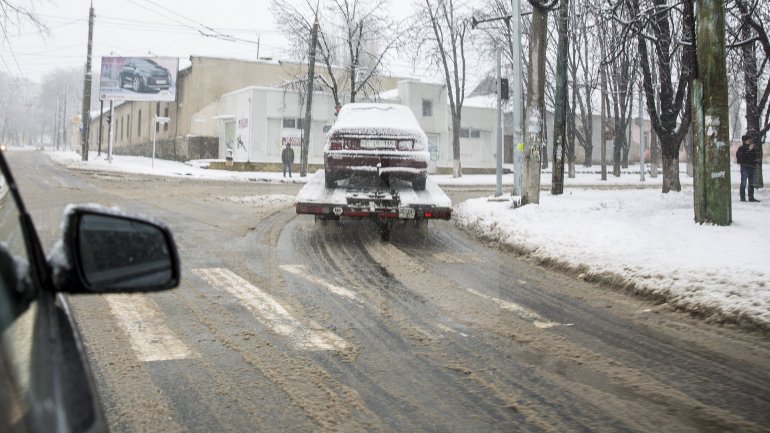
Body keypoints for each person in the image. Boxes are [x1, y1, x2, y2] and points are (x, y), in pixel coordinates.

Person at [736, 134, 760, 202]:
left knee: (751, 183)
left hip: (752, 167)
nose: (750, 141)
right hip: (745, 168)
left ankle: (751, 197)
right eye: (748, 140)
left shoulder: (752, 148)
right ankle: (742, 198)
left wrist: (756, 163)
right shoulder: (741, 148)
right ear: (744, 141)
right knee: (743, 183)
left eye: (750, 139)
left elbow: (755, 156)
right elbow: (740, 158)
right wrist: (749, 150)